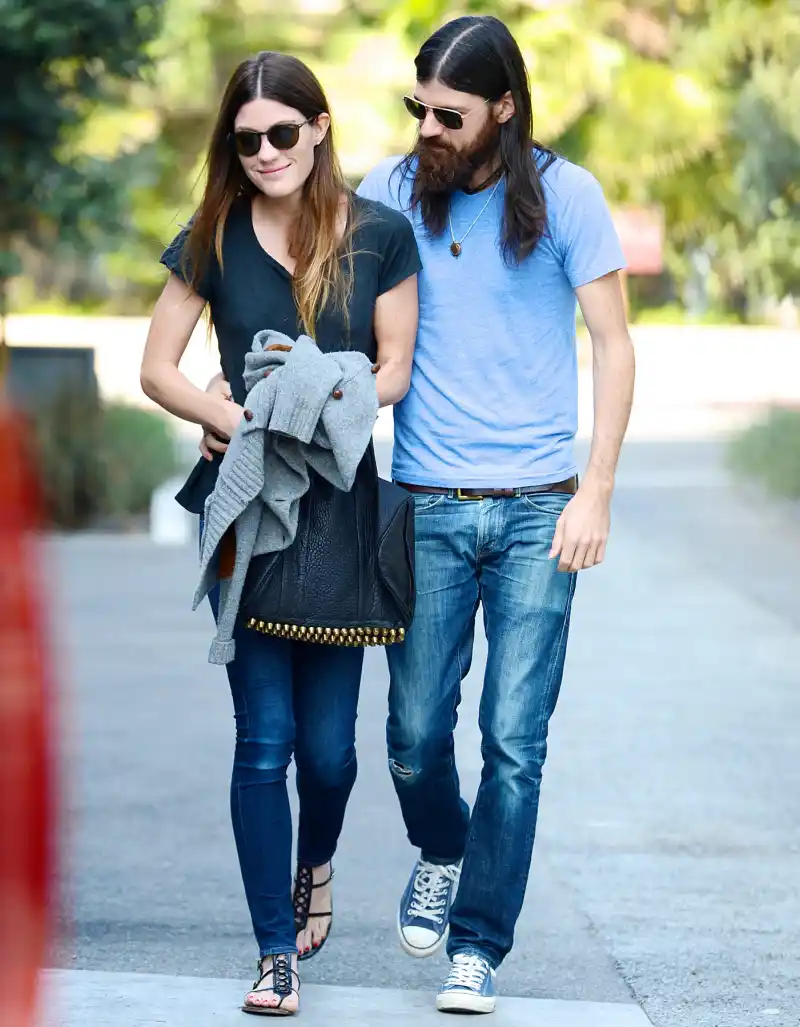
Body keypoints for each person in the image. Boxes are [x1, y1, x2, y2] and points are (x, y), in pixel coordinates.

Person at [355, 14, 635, 1016]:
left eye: (449, 114)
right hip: (423, 505)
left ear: (501, 110)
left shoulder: (565, 196)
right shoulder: (386, 194)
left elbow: (611, 344)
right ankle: (442, 843)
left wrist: (593, 486)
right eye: (416, 107)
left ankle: (477, 943)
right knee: (412, 736)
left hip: (534, 516)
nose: (426, 127)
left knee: (513, 738)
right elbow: (330, 314)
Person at [140, 51, 420, 1016]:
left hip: (340, 506)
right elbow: (157, 368)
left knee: (331, 754)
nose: (264, 153)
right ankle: (273, 952)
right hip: (247, 508)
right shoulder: (212, 238)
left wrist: (313, 387)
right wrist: (231, 422)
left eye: (282, 134)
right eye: (246, 138)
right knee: (263, 742)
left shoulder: (380, 236)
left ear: (321, 129)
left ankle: (320, 860)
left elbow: (393, 371)